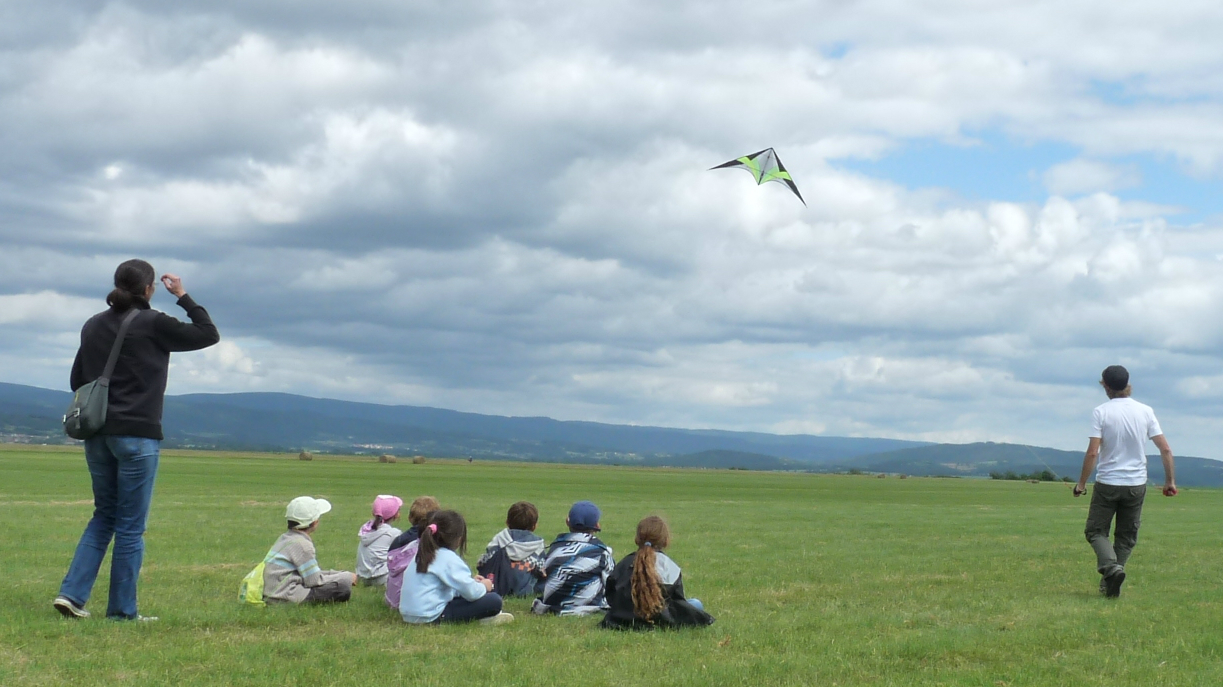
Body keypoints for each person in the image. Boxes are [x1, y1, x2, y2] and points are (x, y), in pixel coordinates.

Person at [53, 260, 220, 621]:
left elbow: (78, 378)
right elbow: (208, 334)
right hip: (137, 435)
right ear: (149, 289)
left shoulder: (93, 324)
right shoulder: (154, 322)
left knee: (103, 516)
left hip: (96, 433)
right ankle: (122, 612)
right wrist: (184, 296)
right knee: (130, 527)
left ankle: (72, 594)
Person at [1073, 365, 1177, 598]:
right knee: (1126, 536)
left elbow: (1092, 453)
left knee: (1095, 531)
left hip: (1108, 483)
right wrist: (1170, 481)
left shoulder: (1101, 411)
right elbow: (1165, 448)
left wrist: (1081, 484)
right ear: (1127, 384)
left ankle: (1111, 569)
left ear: (1105, 386)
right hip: (1136, 484)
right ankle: (1111, 578)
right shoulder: (1145, 411)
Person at [399, 510, 513, 625]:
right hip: (431, 616)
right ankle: (485, 618)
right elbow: (472, 593)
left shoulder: (422, 554)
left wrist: (472, 582)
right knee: (494, 600)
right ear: (458, 539)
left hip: (409, 615)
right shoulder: (448, 558)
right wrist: (484, 585)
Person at [601, 516, 715, 630]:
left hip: (622, 619)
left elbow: (610, 596)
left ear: (637, 538)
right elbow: (678, 601)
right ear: (665, 540)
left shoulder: (624, 564)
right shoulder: (669, 566)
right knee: (695, 603)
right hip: (661, 620)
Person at [264, 497, 356, 604]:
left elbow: (309, 573)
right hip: (285, 596)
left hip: (272, 593)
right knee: (342, 587)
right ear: (315, 522)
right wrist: (346, 577)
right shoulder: (303, 545)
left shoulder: (285, 538)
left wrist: (338, 573)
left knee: (342, 579)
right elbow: (313, 580)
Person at [532, 500, 614, 616]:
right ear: (597, 526)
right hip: (585, 607)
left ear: (567, 522)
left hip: (550, 605)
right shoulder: (602, 553)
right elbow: (611, 585)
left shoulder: (554, 549)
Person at [476, 501, 547, 597]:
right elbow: (541, 570)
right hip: (523, 590)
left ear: (507, 522)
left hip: (496, 584)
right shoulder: (537, 544)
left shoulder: (500, 538)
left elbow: (484, 562)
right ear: (534, 526)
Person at [356, 495, 404, 587]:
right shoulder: (394, 533)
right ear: (395, 514)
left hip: (362, 577)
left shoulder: (366, 529)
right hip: (381, 578)